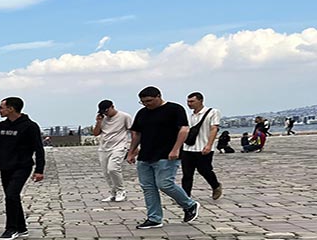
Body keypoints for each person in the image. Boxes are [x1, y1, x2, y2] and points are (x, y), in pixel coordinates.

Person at [126, 86, 198, 229]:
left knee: (165, 184)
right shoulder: (142, 113)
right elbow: (137, 134)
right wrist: (131, 151)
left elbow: (184, 129)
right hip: (145, 155)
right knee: (148, 187)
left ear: (158, 96)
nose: (147, 104)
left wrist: (176, 149)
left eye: (149, 101)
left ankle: (189, 205)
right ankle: (154, 218)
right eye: (143, 102)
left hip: (167, 154)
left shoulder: (174, 109)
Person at [0, 97, 45, 240]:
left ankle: (11, 228)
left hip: (22, 166)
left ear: (11, 108)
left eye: (1, 107)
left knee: (11, 195)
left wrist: (39, 170)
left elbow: (39, 149)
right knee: (12, 197)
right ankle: (22, 228)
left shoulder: (30, 126)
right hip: (5, 166)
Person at [180, 92, 223, 200]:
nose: (189, 104)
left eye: (192, 101)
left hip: (203, 147)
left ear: (200, 100)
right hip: (188, 148)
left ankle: (215, 185)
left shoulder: (212, 112)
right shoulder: (190, 116)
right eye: (188, 101)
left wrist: (209, 145)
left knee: (205, 170)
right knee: (187, 174)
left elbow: (214, 128)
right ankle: (186, 197)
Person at [92, 98, 132, 202]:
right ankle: (113, 192)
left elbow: (132, 131)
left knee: (113, 168)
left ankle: (121, 190)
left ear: (112, 107)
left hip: (119, 146)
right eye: (103, 112)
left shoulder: (124, 116)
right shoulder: (102, 119)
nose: (106, 113)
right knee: (106, 172)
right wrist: (98, 122)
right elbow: (96, 133)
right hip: (104, 147)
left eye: (107, 111)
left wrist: (133, 148)